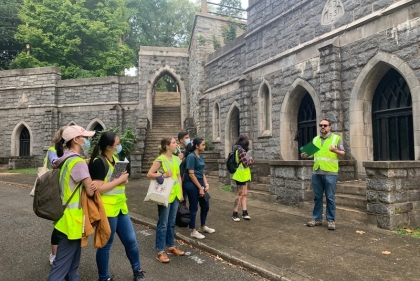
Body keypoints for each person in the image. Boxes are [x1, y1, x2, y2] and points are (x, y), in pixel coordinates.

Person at [88, 131, 146, 281]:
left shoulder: (115, 158)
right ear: (108, 147)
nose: (119, 146)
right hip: (107, 210)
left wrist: (123, 180)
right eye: (117, 144)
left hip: (121, 207)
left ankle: (137, 270)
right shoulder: (98, 163)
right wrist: (120, 179)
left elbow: (118, 182)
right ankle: (104, 277)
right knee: (106, 245)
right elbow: (99, 189)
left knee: (131, 241)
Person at [47, 125, 98, 281]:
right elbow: (90, 190)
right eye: (85, 138)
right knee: (61, 268)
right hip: (72, 222)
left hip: (64, 218)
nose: (87, 141)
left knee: (72, 268)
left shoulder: (65, 159)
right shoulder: (78, 162)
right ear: (76, 140)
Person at [301, 118, 345, 231]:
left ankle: (331, 220)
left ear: (330, 127)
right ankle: (317, 219)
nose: (322, 127)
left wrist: (335, 151)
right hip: (317, 173)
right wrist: (305, 155)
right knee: (317, 197)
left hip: (330, 173)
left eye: (325, 125)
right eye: (321, 125)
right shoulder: (315, 139)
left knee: (330, 198)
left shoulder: (336, 138)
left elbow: (343, 153)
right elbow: (310, 154)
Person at [147, 137, 185, 263]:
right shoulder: (160, 159)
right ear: (167, 146)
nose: (176, 144)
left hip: (174, 195)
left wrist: (180, 192)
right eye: (174, 143)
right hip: (164, 195)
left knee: (171, 222)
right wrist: (163, 175)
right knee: (163, 223)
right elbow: (150, 174)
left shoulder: (175, 159)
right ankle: (160, 251)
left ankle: (171, 247)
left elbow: (178, 176)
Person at [183, 138, 215, 239]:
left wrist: (206, 184)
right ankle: (193, 230)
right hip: (191, 183)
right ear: (196, 146)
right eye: (202, 145)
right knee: (194, 207)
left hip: (200, 181)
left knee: (205, 205)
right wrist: (200, 188)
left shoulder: (200, 156)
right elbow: (191, 174)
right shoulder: (191, 157)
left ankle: (202, 226)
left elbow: (201, 172)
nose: (204, 146)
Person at [45, 126, 67, 265]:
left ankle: (62, 252)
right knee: (58, 224)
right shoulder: (53, 151)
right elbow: (54, 164)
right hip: (54, 191)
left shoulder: (67, 151)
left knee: (62, 223)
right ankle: (54, 255)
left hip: (64, 191)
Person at [231, 135, 254, 222]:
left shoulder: (238, 149)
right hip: (240, 175)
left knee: (244, 194)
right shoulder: (241, 150)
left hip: (244, 175)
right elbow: (245, 164)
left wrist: (250, 161)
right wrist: (250, 161)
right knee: (240, 195)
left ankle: (245, 212)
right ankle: (235, 213)